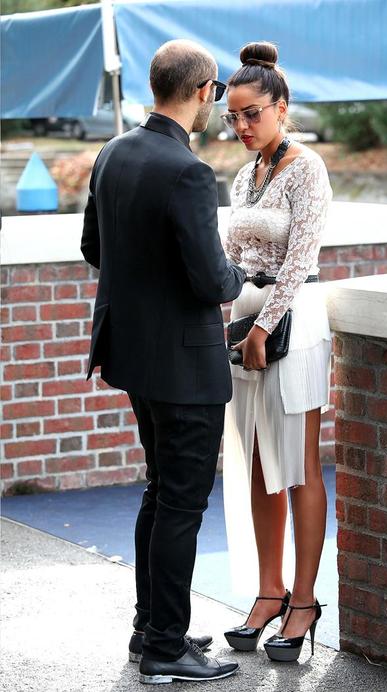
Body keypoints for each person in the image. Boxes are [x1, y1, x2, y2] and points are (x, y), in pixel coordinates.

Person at [80, 39, 246, 685]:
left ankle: (153, 628)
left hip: (133, 356)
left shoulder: (114, 151)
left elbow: (95, 246)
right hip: (183, 364)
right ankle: (166, 653)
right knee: (181, 503)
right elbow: (212, 282)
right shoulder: (188, 170)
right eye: (218, 95)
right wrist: (241, 274)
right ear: (205, 89)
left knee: (159, 493)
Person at [221, 41, 332, 663]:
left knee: (300, 465)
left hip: (292, 325)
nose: (240, 126)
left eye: (251, 114)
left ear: (281, 107)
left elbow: (299, 262)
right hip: (246, 325)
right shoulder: (245, 174)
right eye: (232, 116)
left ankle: (305, 600)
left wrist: (263, 328)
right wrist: (233, 324)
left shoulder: (307, 168)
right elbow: (236, 262)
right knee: (260, 461)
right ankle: (270, 591)